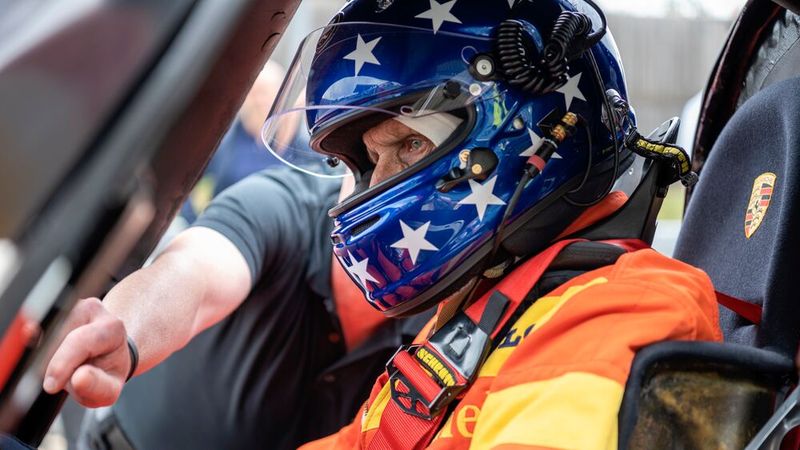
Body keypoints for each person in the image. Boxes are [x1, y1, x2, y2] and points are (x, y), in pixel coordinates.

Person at [253, 0, 723, 448]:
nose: (377, 183)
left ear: (528, 132)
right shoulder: (487, 303)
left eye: (410, 145)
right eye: (371, 160)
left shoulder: (622, 307)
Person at [45, 150, 431, 447]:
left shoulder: (446, 309)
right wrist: (126, 336)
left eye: (412, 153)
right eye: (368, 157)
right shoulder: (278, 206)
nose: (380, 193)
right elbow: (191, 272)